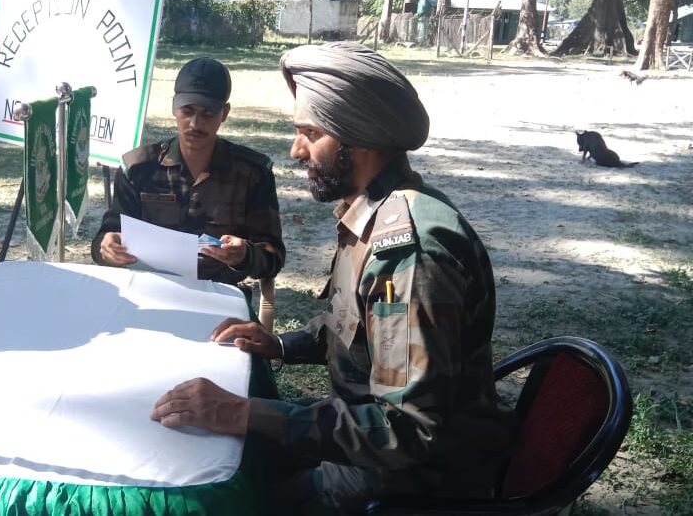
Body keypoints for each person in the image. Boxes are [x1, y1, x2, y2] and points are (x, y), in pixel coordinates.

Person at [150, 43, 515, 514]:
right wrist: (281, 345)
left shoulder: (407, 257)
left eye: (310, 133)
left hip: (402, 484)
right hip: (361, 458)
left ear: (358, 138)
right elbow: (359, 332)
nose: (295, 149)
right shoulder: (374, 213)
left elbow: (406, 431)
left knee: (221, 497)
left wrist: (244, 412)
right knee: (227, 460)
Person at [92, 57, 284, 287]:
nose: (195, 123)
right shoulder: (138, 169)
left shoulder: (252, 174)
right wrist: (107, 248)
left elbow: (273, 256)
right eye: (188, 110)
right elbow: (106, 238)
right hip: (149, 289)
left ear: (224, 112)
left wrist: (245, 255)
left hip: (219, 295)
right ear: (174, 107)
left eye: (207, 114)